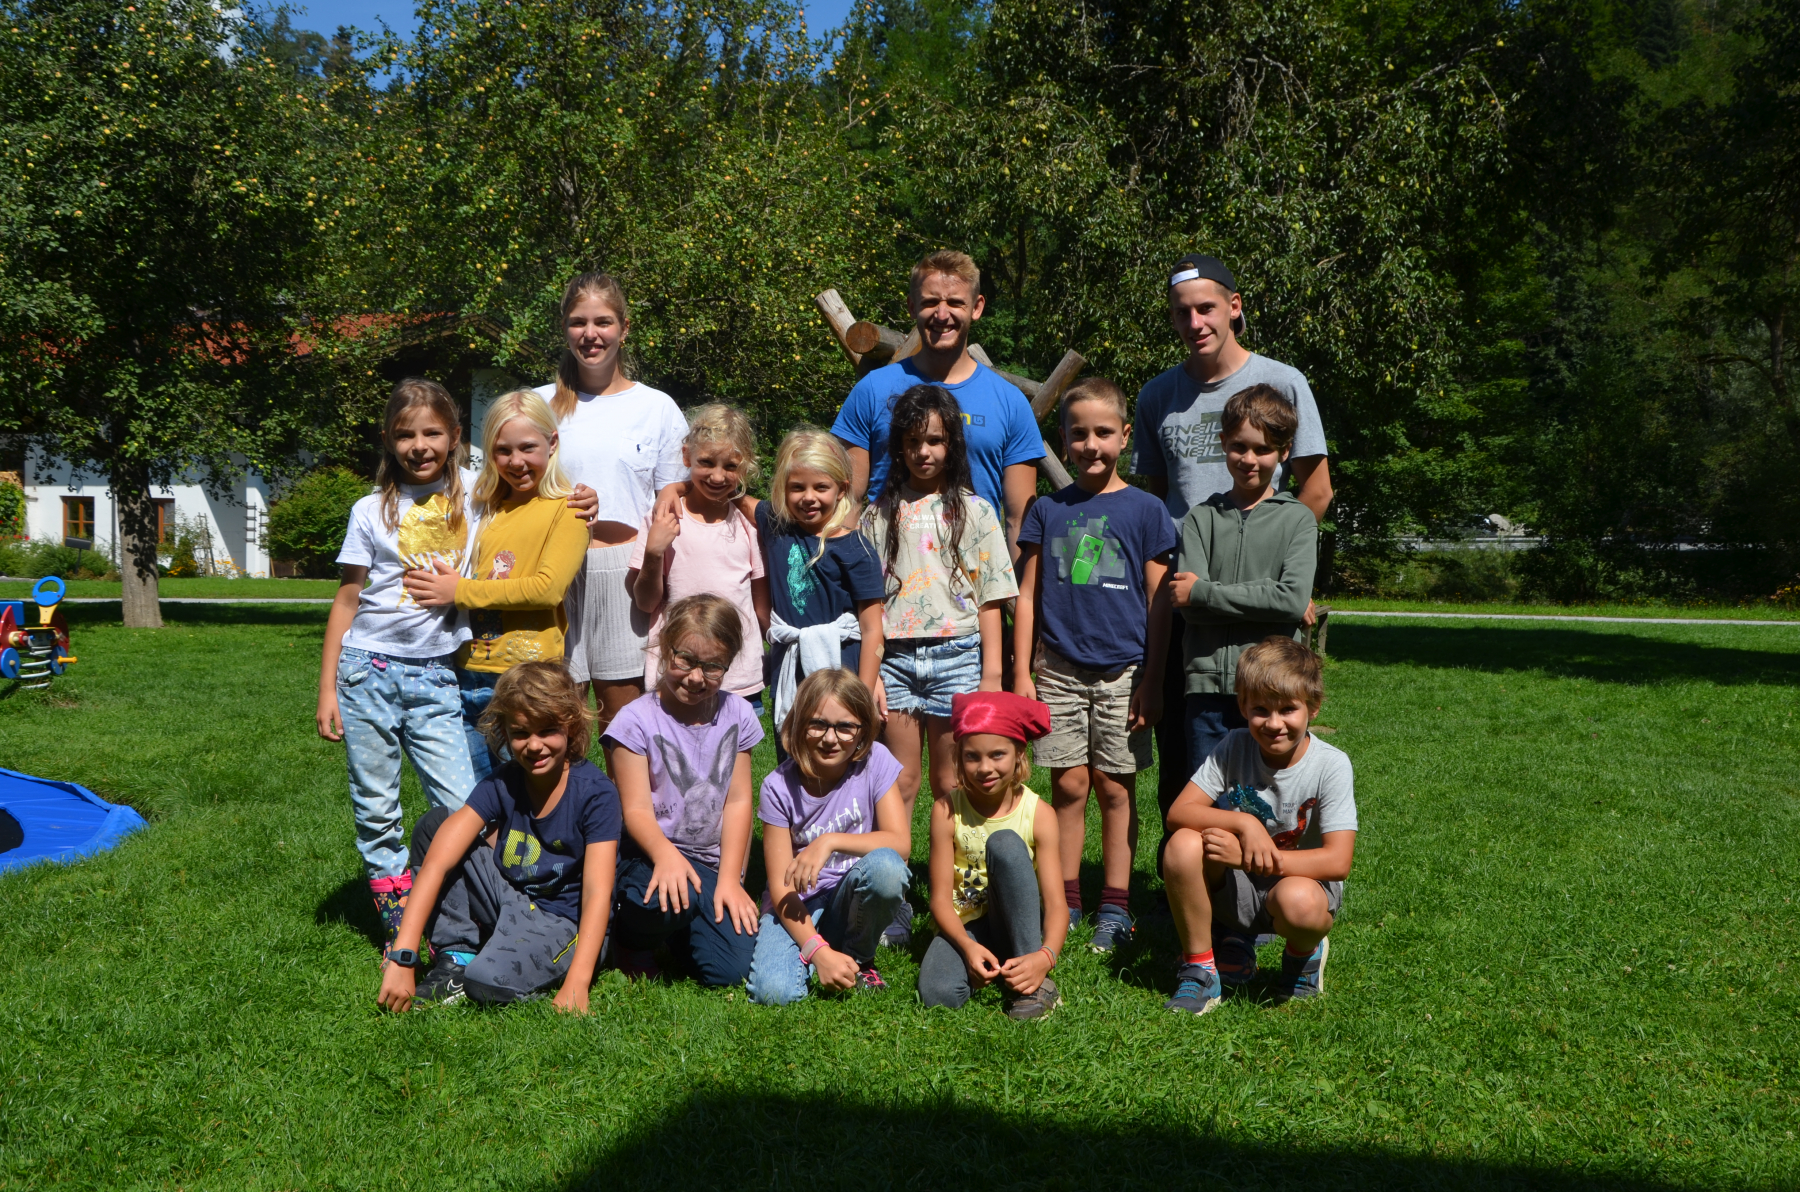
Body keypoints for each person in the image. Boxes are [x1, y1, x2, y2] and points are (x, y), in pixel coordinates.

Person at [1133, 254, 1332, 871]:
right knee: (1186, 755)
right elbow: (1155, 503)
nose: (1195, 322)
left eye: (1206, 308)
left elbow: (1315, 491)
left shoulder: (1282, 382)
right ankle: (1188, 882)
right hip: (1180, 598)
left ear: (1234, 306)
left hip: (1252, 609)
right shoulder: (1158, 395)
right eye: (1182, 312)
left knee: (1266, 757)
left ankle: (1264, 885)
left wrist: (1281, 575)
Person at [1013, 376, 1176, 954]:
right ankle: (1066, 900)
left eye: (1103, 433)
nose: (1091, 445)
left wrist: (1152, 680)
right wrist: (1022, 673)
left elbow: (1159, 602)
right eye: (1078, 433)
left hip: (1124, 673)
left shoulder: (1148, 510)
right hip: (1057, 671)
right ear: (1063, 439)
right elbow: (1027, 595)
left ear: (1125, 436)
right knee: (1068, 785)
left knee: (1114, 788)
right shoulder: (1046, 509)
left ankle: (1115, 905)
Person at [317, 378, 479, 953]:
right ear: (388, 440)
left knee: (462, 805)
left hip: (437, 674)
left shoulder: (476, 498)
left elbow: (533, 478)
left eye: (432, 432)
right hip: (366, 672)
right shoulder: (369, 510)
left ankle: (459, 907)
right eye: (405, 434)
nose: (419, 445)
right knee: (376, 806)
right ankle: (398, 919)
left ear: (454, 436)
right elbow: (347, 599)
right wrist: (327, 688)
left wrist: (580, 496)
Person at [860, 383, 1017, 949]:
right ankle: (896, 897)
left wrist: (992, 676)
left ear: (952, 444)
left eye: (934, 440)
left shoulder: (975, 511)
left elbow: (992, 597)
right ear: (897, 447)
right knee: (900, 782)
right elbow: (868, 601)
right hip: (896, 660)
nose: (923, 452)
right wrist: (872, 672)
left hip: (958, 657)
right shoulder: (878, 514)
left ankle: (963, 895)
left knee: (953, 782)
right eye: (912, 442)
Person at [377, 661, 621, 1013]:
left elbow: (599, 893)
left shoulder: (595, 794)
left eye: (547, 730)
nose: (534, 745)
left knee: (485, 982)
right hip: (510, 898)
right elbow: (438, 861)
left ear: (570, 725)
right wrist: (404, 956)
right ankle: (457, 955)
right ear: (504, 732)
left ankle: (508, 968)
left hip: (566, 923)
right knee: (435, 826)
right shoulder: (503, 781)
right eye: (521, 733)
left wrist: (578, 983)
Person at [1159, 637, 1356, 1014]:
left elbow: (1338, 861)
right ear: (1243, 707)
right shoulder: (1233, 746)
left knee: (1298, 901)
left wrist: (1247, 858)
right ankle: (1200, 971)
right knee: (1182, 843)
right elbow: (1179, 812)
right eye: (1261, 710)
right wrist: (1243, 823)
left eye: (1288, 709)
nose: (1274, 723)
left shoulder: (1331, 765)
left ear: (1313, 707)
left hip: (1301, 888)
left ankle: (1303, 954)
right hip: (1240, 889)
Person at [535, 272, 690, 744]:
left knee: (623, 728)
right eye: (578, 322)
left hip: (624, 575)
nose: (590, 334)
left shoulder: (657, 407)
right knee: (555, 718)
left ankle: (630, 797)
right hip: (550, 573)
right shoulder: (536, 405)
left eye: (603, 322)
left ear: (624, 328)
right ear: (564, 329)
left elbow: (673, 497)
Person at [405, 389, 590, 780]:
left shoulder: (569, 509)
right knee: (475, 795)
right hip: (464, 672)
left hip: (527, 679)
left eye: (527, 447)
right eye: (503, 451)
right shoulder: (484, 506)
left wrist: (459, 592)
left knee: (528, 791)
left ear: (552, 442)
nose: (516, 461)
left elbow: (547, 589)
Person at [830, 250, 1042, 554]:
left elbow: (1019, 520)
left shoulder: (1009, 402)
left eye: (955, 302)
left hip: (975, 576)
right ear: (912, 306)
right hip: (886, 575)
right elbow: (847, 501)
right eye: (930, 302)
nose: (942, 315)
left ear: (977, 307)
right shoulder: (872, 391)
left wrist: (1020, 586)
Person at [603, 595, 763, 986]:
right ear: (664, 648)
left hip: (708, 865)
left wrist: (730, 879)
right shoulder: (635, 721)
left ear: (728, 665)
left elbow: (739, 800)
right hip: (646, 856)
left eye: (712, 666)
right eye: (685, 660)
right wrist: (666, 856)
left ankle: (679, 932)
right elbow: (635, 810)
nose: (695, 677)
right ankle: (630, 939)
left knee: (731, 971)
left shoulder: (738, 713)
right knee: (673, 895)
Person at [1170, 385, 1317, 782]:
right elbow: (1189, 610)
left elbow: (1291, 600)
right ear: (1223, 443)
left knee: (1268, 799)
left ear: (1284, 452)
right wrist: (1263, 603)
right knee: (1209, 800)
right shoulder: (1201, 518)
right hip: (1207, 693)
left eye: (1263, 449)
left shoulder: (1298, 520)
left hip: (1273, 693)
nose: (1249, 459)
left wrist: (1204, 592)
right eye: (1239, 446)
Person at [746, 670, 911, 1004]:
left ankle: (858, 957)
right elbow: (780, 886)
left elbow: (900, 844)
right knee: (773, 993)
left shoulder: (875, 761)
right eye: (817, 724)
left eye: (845, 726)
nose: (830, 738)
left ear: (863, 730)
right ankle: (825, 953)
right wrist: (817, 951)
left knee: (887, 867)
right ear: (798, 725)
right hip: (799, 903)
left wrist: (828, 841)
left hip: (852, 896)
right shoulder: (777, 787)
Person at [919, 691, 1068, 1020]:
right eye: (972, 757)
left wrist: (1045, 956)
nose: (985, 768)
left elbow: (1057, 903)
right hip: (966, 924)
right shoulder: (946, 809)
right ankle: (994, 963)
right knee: (938, 994)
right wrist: (967, 947)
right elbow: (940, 900)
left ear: (1019, 754)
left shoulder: (1039, 813)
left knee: (1005, 843)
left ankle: (1034, 982)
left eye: (997, 755)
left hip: (1017, 921)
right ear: (959, 757)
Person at [628, 403, 769, 709]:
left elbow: (761, 605)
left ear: (744, 467)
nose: (718, 476)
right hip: (678, 674)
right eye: (706, 462)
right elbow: (646, 602)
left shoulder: (747, 525)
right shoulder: (663, 518)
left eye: (730, 466)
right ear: (686, 456)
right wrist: (654, 552)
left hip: (737, 676)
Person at [755, 429, 886, 735]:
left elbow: (872, 628)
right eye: (797, 487)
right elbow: (729, 496)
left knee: (841, 750)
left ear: (841, 489)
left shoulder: (857, 549)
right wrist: (675, 489)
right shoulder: (775, 525)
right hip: (791, 670)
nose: (808, 497)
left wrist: (865, 690)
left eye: (821, 487)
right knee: (793, 752)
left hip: (844, 669)